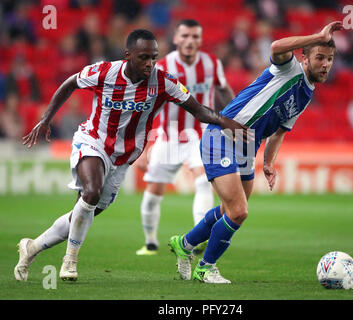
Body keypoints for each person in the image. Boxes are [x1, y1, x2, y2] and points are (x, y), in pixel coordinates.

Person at [14, 29, 250, 282]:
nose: (150, 63)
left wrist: (228, 123)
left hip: (123, 156)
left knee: (83, 213)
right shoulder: (103, 72)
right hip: (93, 141)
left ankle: (33, 247)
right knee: (90, 193)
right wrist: (46, 119)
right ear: (128, 55)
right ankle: (70, 260)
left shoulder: (163, 82)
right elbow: (70, 83)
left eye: (154, 57)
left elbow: (200, 111)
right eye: (143, 57)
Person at [168, 21, 344, 284]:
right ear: (304, 58)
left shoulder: (307, 93)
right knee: (239, 212)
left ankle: (184, 243)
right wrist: (317, 36)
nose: (325, 64)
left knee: (231, 210)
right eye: (320, 57)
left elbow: (280, 131)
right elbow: (276, 46)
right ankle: (206, 267)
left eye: (329, 59)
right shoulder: (288, 69)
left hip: (248, 147)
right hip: (223, 136)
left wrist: (269, 163)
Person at [135, 19, 235, 256]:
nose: (190, 41)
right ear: (176, 39)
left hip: (202, 136)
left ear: (200, 40)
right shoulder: (161, 66)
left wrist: (234, 121)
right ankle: (150, 242)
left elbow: (223, 90)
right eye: (185, 36)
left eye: (195, 37)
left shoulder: (212, 64)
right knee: (152, 195)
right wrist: (142, 145)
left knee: (203, 182)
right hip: (168, 138)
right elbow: (147, 105)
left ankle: (198, 239)